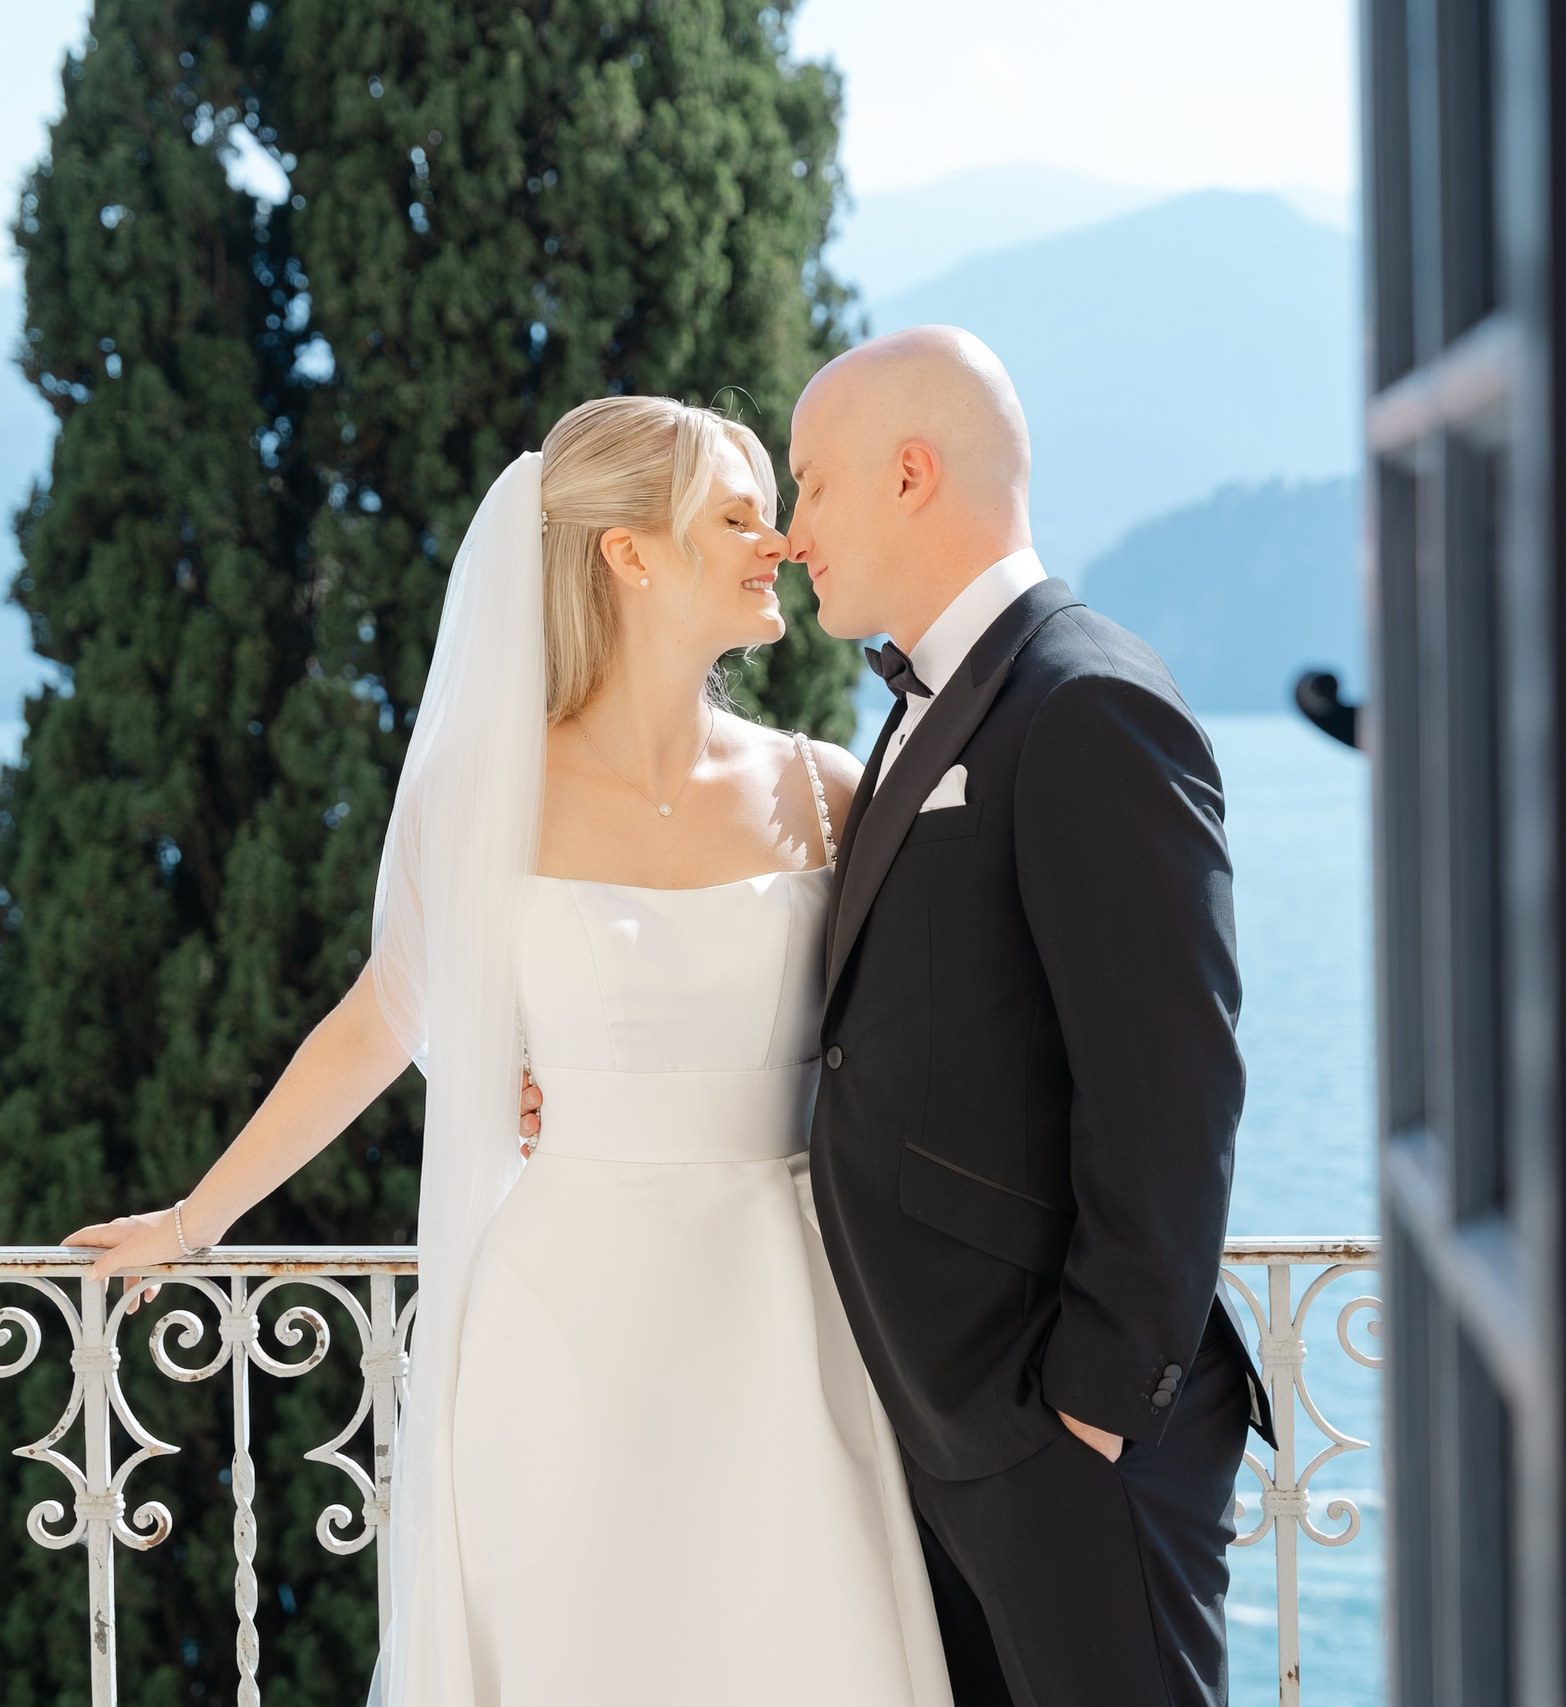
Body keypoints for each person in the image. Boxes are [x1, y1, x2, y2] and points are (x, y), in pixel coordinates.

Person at [66, 396, 953, 1707]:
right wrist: (195, 1220)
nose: (776, 544)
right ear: (629, 554)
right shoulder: (487, 793)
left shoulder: (827, 789)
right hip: (564, 1317)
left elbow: (924, 1035)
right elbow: (384, 1017)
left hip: (791, 1308)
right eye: (737, 515)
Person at [787, 325, 1272, 1707]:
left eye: (812, 482)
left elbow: (1172, 1087)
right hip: (953, 1430)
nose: (793, 527)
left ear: (911, 474)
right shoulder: (933, 705)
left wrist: (1093, 1410)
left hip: (1060, 1439)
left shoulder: (1087, 699)